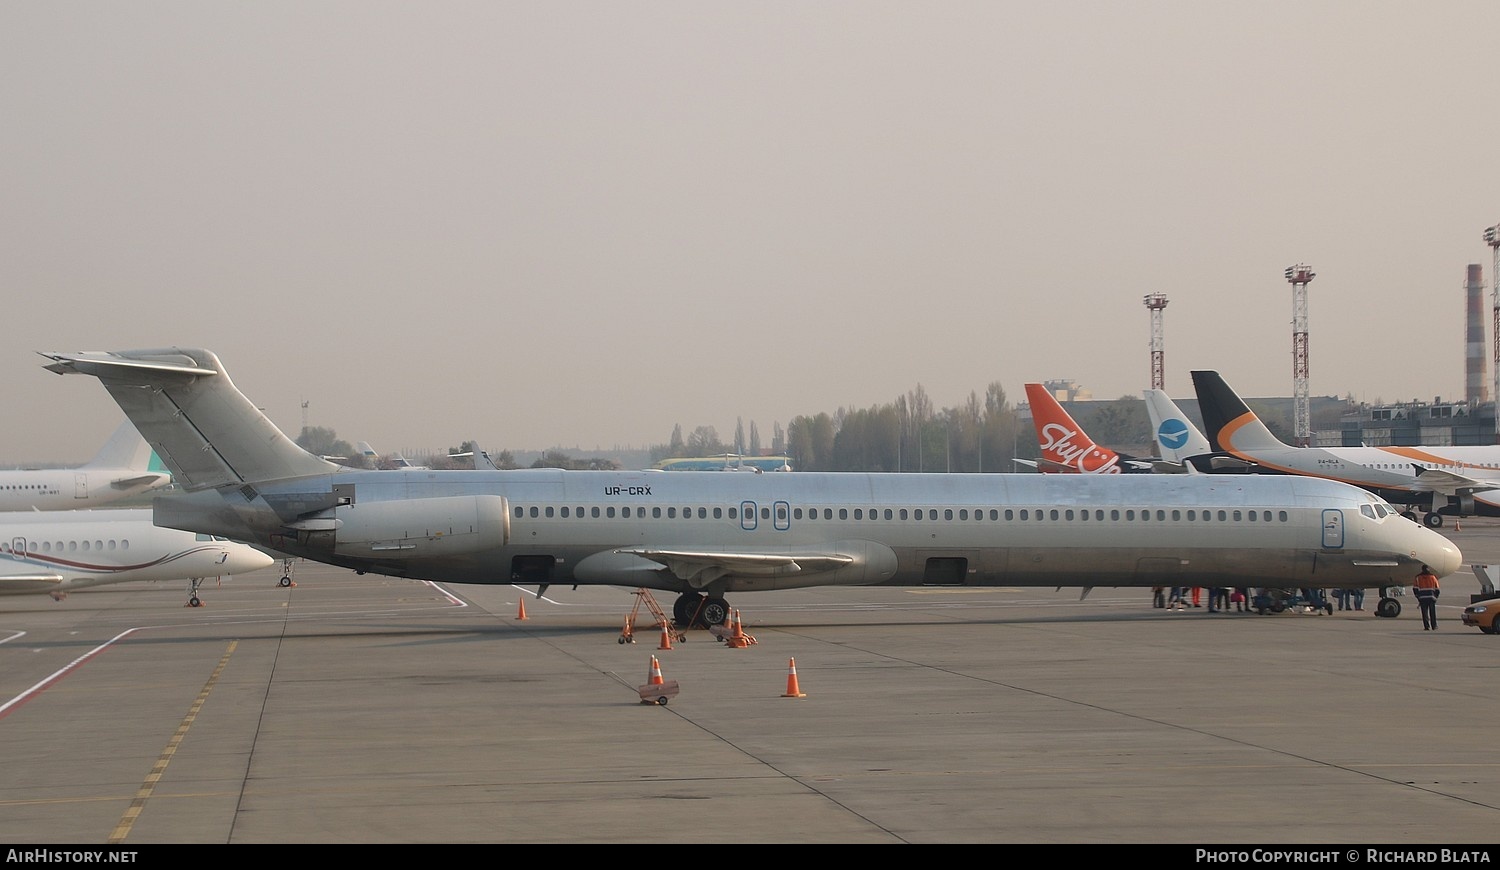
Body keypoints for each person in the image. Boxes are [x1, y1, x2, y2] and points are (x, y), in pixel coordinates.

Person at [1413, 565, 1441, 630]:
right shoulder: (1432, 577)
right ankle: (1434, 626)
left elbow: (1415, 589)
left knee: (1424, 613)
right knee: (1432, 613)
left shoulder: (1418, 577)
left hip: (1422, 598)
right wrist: (1435, 597)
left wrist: (1418, 597)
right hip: (1431, 597)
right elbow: (1437, 589)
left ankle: (1426, 626)